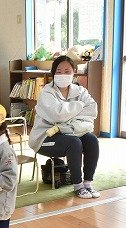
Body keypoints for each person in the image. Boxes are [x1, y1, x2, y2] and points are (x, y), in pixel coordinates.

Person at [28, 55, 100, 199]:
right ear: (53, 73)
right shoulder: (46, 92)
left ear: (74, 72)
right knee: (74, 143)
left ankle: (87, 183)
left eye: (67, 71)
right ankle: (78, 186)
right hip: (45, 137)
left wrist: (67, 116)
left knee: (92, 140)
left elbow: (92, 110)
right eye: (59, 71)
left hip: (72, 132)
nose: (63, 75)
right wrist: (79, 106)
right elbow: (58, 115)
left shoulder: (80, 91)